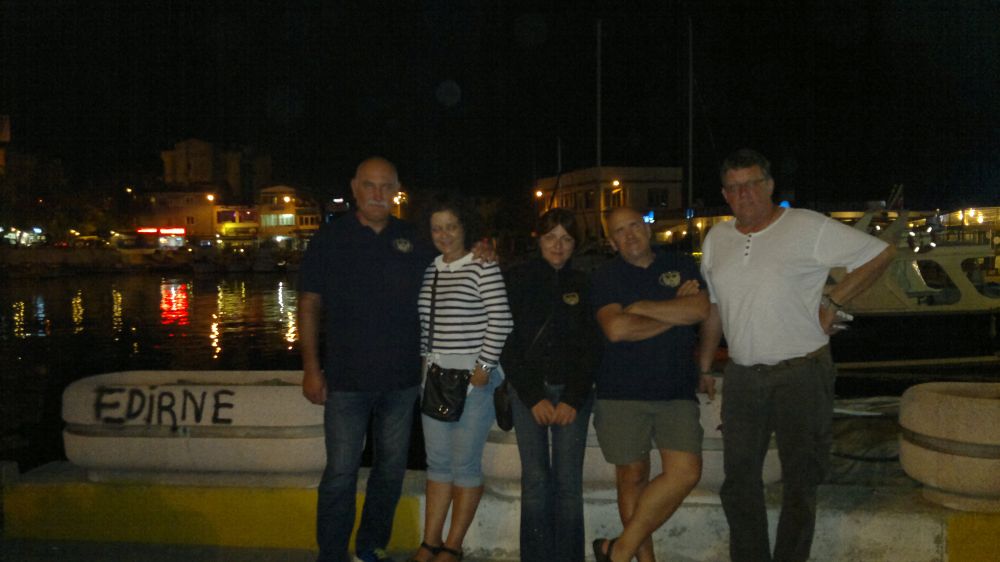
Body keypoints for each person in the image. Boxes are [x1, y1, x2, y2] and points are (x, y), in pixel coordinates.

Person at [698, 148, 895, 562]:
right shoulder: (716, 239)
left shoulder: (806, 225)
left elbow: (880, 254)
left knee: (801, 481)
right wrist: (704, 363)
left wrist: (834, 301)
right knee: (739, 480)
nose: (744, 194)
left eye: (752, 184)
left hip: (802, 373)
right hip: (743, 377)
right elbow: (716, 307)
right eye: (734, 187)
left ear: (770, 186)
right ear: (725, 194)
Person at [299, 157, 434, 562]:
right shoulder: (329, 238)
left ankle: (370, 546)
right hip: (346, 381)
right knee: (340, 472)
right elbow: (309, 304)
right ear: (355, 188)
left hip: (401, 381)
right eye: (370, 185)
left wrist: (481, 250)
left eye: (386, 186)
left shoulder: (414, 238)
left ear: (397, 191)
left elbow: (453, 259)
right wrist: (311, 369)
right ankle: (332, 553)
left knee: (390, 471)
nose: (378, 193)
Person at [590, 207, 710, 562]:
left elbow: (700, 310)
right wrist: (674, 310)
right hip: (621, 393)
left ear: (648, 228)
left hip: (676, 390)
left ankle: (618, 551)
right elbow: (617, 329)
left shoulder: (682, 264)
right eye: (619, 231)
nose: (629, 235)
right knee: (632, 477)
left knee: (686, 472)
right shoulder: (605, 276)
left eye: (634, 226)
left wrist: (641, 307)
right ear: (612, 242)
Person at [410, 194, 513, 562]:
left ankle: (452, 546)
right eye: (437, 228)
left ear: (464, 228)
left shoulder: (483, 266)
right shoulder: (431, 269)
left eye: (451, 227)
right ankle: (430, 542)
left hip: (473, 382)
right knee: (437, 464)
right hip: (435, 379)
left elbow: (501, 320)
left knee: (465, 465)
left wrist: (483, 369)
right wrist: (424, 374)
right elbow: (427, 328)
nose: (444, 234)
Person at [499, 208, 598, 562]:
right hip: (529, 393)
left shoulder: (584, 282)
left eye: (566, 239)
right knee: (536, 481)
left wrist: (573, 397)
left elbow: (593, 345)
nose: (558, 245)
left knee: (569, 483)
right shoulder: (516, 279)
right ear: (538, 239)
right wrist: (532, 396)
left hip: (573, 396)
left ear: (575, 244)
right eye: (551, 237)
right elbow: (506, 341)